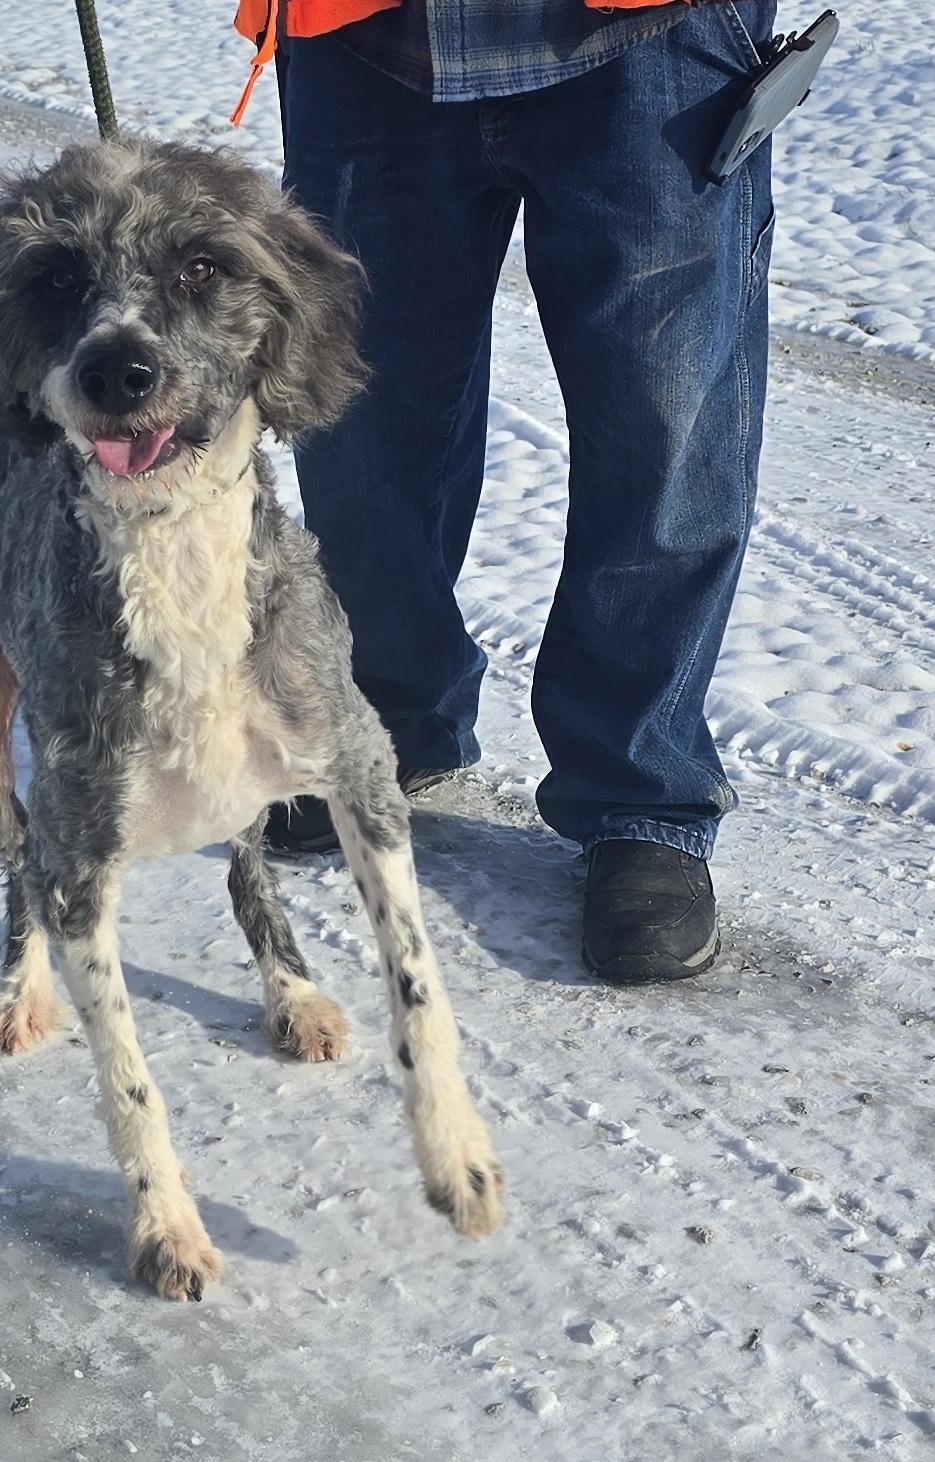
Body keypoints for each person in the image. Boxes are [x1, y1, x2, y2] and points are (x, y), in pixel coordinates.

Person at [235, 0, 778, 983]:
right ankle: (384, 717)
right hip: (366, 34)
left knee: (665, 420)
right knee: (360, 420)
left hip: (650, 36)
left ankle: (639, 789)